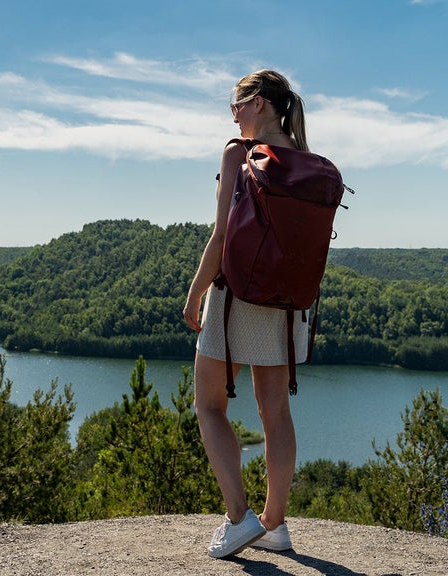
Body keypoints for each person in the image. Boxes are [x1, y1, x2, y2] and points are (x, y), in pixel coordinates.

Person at [183, 69, 309, 558]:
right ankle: (275, 526)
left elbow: (220, 237)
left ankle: (239, 518)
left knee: (210, 406)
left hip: (238, 298)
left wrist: (195, 293)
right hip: (288, 305)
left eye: (237, 102)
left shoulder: (239, 153)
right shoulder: (309, 161)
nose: (232, 112)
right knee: (275, 412)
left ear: (259, 103)